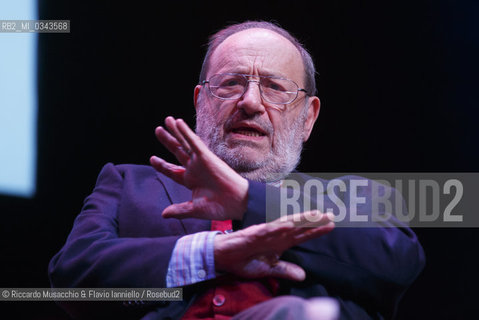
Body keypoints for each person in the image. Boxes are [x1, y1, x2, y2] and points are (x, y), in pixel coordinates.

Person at [49, 21, 425, 320]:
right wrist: (210, 255)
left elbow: (397, 260)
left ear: (308, 117)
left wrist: (248, 200)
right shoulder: (130, 183)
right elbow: (73, 278)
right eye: (231, 83)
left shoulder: (349, 197)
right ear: (201, 103)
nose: (250, 102)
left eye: (276, 88)